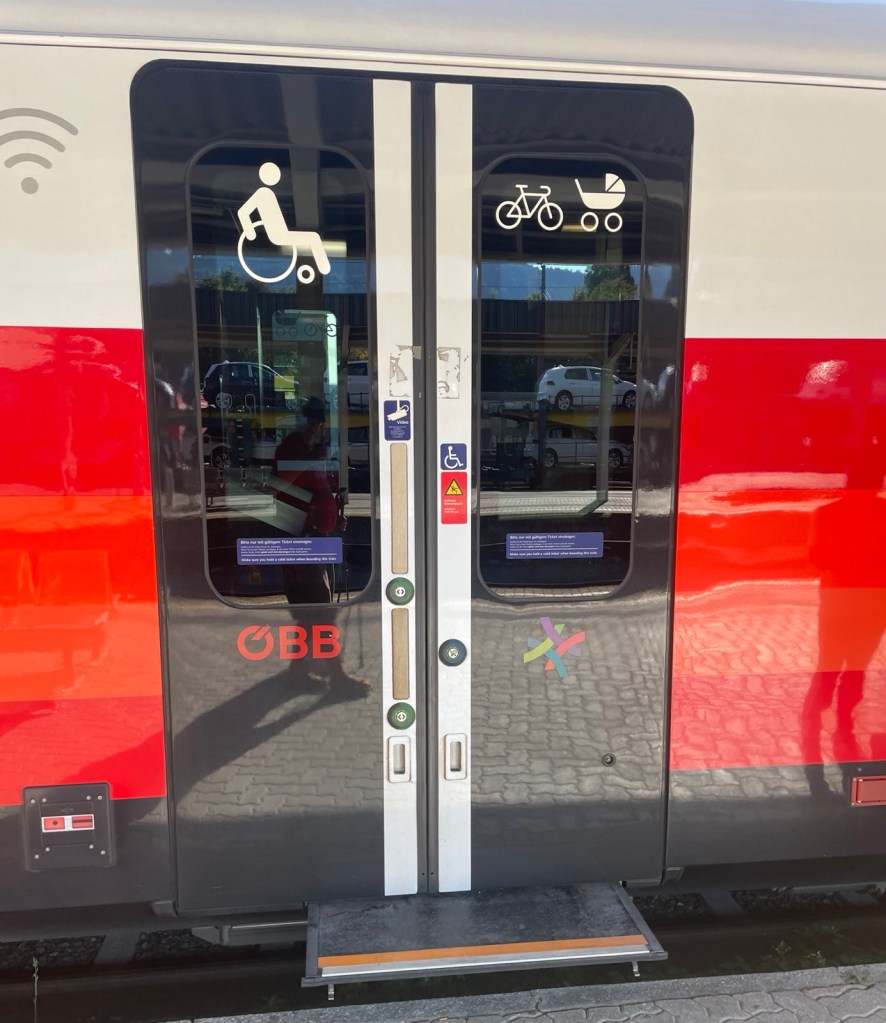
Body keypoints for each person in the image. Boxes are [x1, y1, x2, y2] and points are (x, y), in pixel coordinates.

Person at [272, 397, 370, 696]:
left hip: (316, 540)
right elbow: (282, 482)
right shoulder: (292, 447)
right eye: (310, 420)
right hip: (303, 542)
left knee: (310, 611)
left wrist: (333, 518)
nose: (314, 426)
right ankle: (337, 676)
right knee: (321, 610)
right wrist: (313, 458)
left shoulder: (306, 448)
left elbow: (315, 489)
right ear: (299, 420)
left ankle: (297, 672)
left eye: (319, 421)